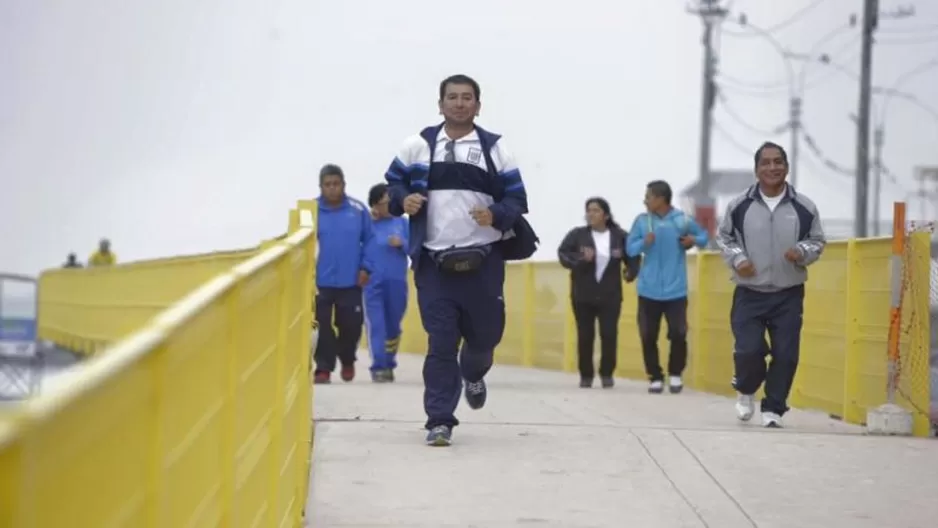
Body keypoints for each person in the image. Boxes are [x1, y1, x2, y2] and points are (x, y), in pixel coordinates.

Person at [383, 73, 537, 446]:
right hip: (433, 263)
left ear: (478, 106)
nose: (459, 103)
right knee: (441, 342)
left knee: (484, 338)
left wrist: (496, 214)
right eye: (452, 97)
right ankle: (439, 420)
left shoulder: (494, 149)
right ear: (440, 104)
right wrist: (403, 200)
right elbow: (393, 185)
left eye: (467, 97)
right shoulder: (417, 145)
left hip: (484, 263)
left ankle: (474, 373)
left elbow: (517, 200)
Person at [716, 141, 825, 428]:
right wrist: (738, 259)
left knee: (786, 353)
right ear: (756, 170)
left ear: (786, 168)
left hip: (788, 293)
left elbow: (817, 241)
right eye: (766, 162)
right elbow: (724, 238)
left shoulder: (804, 207)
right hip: (749, 292)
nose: (772, 167)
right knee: (748, 350)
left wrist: (801, 252)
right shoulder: (739, 206)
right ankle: (746, 388)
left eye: (778, 162)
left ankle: (774, 408)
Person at [626, 180, 709, 394]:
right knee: (647, 335)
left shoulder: (681, 220)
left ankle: (675, 374)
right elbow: (630, 249)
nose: (645, 201)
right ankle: (655, 376)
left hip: (676, 290)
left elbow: (704, 237)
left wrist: (693, 240)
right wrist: (644, 242)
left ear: (660, 199)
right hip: (648, 290)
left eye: (649, 197)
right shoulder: (643, 222)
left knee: (678, 333)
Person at [557, 197, 640, 389]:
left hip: (610, 295)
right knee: (585, 336)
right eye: (589, 210)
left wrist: (630, 273)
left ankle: (607, 374)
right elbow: (563, 254)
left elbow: (634, 258)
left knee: (609, 334)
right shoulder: (577, 235)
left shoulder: (620, 236)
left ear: (606, 215)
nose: (591, 214)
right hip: (583, 294)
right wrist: (580, 258)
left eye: (595, 210)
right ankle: (586, 376)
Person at [313, 163, 375, 384]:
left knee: (350, 325)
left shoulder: (358, 210)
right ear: (320, 186)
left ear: (343, 185)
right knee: (321, 325)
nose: (332, 188)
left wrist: (366, 267)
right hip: (320, 281)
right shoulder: (311, 211)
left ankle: (347, 359)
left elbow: (370, 240)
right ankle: (323, 367)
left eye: (336, 184)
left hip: (351, 280)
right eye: (327, 184)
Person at [363, 183, 410, 383]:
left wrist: (403, 244)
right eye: (383, 203)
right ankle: (379, 366)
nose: (388, 206)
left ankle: (389, 361)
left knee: (393, 326)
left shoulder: (403, 223)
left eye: (390, 202)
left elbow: (415, 249)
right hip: (372, 282)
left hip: (397, 281)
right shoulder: (367, 225)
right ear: (375, 205)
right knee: (377, 325)